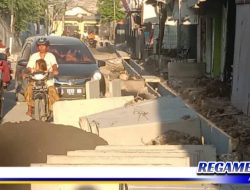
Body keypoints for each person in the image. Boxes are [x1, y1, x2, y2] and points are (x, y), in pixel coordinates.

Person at [24, 37, 59, 117]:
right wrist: (26, 73)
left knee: (52, 91)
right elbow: (29, 67)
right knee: (29, 89)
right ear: (37, 47)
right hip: (35, 79)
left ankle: (53, 109)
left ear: (47, 47)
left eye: (43, 45)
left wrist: (55, 70)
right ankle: (29, 109)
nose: (41, 47)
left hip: (47, 79)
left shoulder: (51, 56)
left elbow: (54, 65)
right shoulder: (33, 56)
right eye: (39, 46)